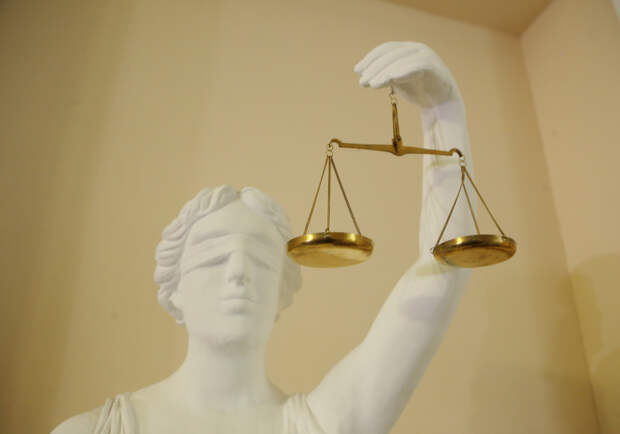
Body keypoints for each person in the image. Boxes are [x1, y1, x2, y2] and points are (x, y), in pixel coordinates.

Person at [51, 41, 476, 434]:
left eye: (260, 259)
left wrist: (444, 113)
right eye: (214, 256)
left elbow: (443, 272)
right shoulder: (91, 431)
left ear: (281, 292)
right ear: (174, 288)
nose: (238, 272)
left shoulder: (321, 424)